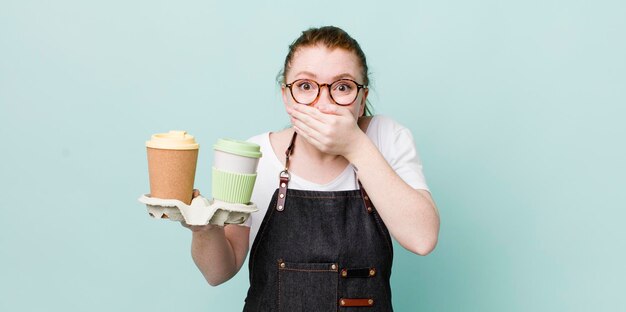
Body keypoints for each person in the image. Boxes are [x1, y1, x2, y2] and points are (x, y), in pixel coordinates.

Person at [182, 26, 440, 311]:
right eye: (306, 86)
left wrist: (355, 145)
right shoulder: (256, 156)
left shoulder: (386, 138)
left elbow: (423, 239)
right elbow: (219, 272)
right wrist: (203, 229)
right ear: (286, 96)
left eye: (342, 87)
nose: (324, 103)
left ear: (362, 98)